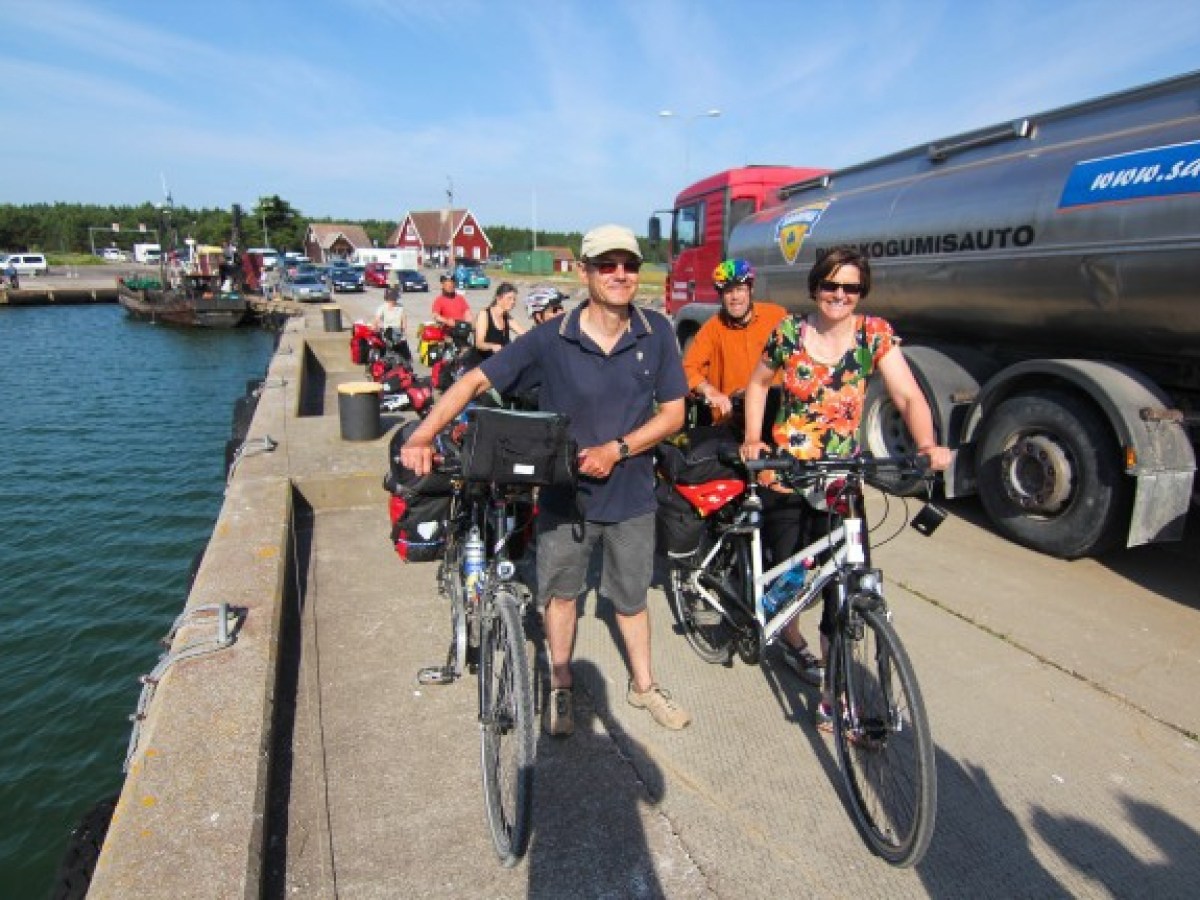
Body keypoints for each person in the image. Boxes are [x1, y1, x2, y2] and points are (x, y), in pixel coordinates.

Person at [401, 224, 692, 736]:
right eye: (607, 265)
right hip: (565, 496)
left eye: (628, 264)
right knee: (561, 595)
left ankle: (644, 686)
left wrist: (618, 449)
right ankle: (561, 686)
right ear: (585, 272)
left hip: (632, 495)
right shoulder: (553, 338)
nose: (620, 274)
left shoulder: (658, 331)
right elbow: (474, 380)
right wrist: (423, 436)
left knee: (630, 599)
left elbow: (673, 415)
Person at [740, 246, 952, 727]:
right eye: (831, 285)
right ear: (816, 287)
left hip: (841, 479)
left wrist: (927, 445)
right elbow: (758, 384)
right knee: (788, 575)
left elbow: (906, 394)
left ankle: (836, 696)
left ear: (861, 293)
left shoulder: (873, 336)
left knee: (840, 584)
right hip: (788, 472)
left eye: (850, 287)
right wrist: (753, 438)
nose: (839, 295)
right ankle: (789, 636)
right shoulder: (790, 333)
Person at [683, 258, 787, 424]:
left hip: (775, 416)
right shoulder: (712, 329)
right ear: (721, 296)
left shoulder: (777, 316)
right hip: (732, 419)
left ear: (750, 290)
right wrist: (709, 390)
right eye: (728, 291)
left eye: (740, 289)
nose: (735, 297)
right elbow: (688, 369)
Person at [473, 282, 525, 358]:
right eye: (509, 298)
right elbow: (479, 343)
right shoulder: (484, 314)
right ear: (498, 298)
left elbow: (524, 333)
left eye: (514, 299)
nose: (513, 302)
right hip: (483, 362)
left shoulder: (507, 317)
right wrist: (492, 346)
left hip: (499, 361)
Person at [373, 286, 412, 362]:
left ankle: (407, 364)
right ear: (387, 298)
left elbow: (404, 321)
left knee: (406, 354)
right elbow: (376, 320)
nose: (393, 300)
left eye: (395, 298)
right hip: (386, 333)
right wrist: (375, 327)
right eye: (391, 298)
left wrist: (404, 332)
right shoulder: (382, 307)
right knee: (386, 350)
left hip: (398, 333)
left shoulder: (400, 307)